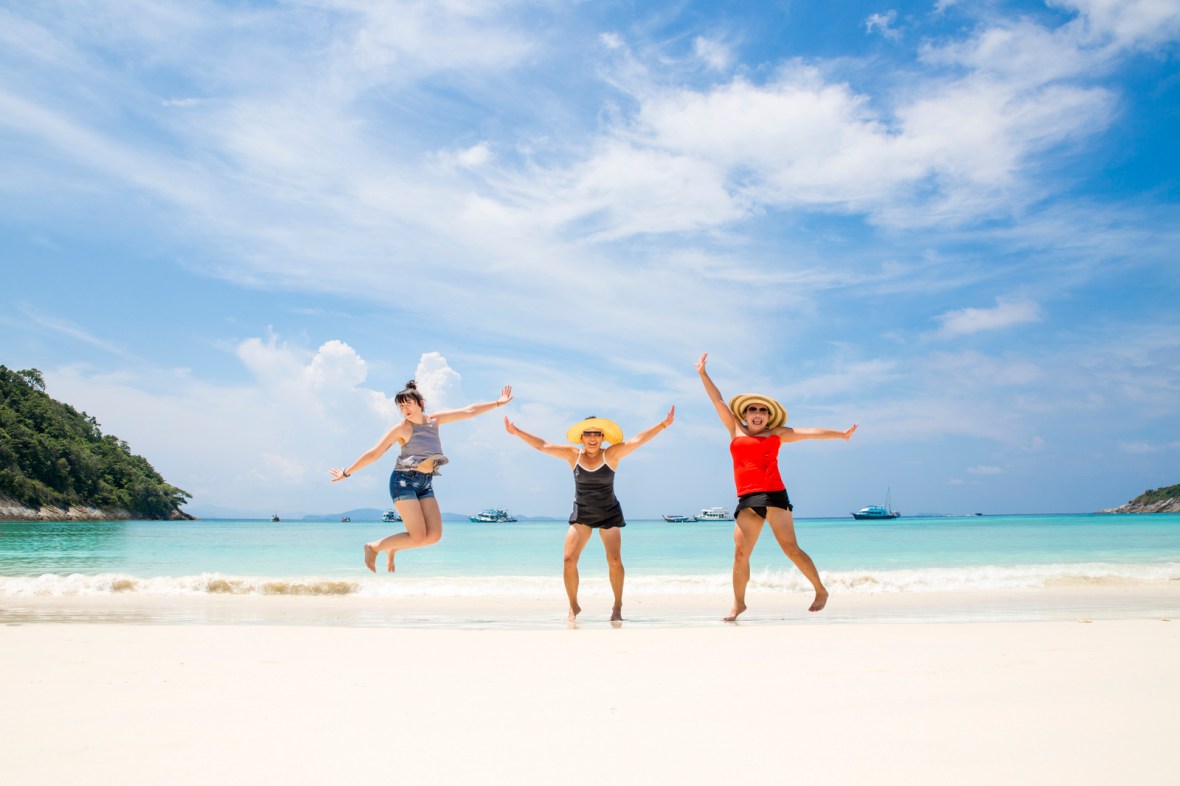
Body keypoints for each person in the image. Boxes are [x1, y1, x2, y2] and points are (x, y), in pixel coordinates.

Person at [696, 353, 857, 621]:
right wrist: (703, 374)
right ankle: (738, 604)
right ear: (745, 414)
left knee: (790, 548)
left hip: (773, 495)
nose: (758, 414)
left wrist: (840, 434)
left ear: (769, 416)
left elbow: (810, 432)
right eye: (753, 409)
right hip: (747, 499)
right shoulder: (735, 429)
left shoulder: (777, 434)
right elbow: (718, 400)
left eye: (763, 410)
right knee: (740, 554)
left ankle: (820, 590)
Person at [504, 408, 674, 622]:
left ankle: (617, 605)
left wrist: (663, 424)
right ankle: (573, 605)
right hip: (583, 512)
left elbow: (637, 441)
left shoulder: (610, 454)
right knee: (568, 559)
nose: (592, 438)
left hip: (609, 512)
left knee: (614, 560)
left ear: (603, 437)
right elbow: (543, 445)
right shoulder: (573, 455)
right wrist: (517, 431)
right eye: (588, 434)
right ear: (582, 438)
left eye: (597, 434)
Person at [330, 380, 513, 573]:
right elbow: (374, 453)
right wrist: (346, 472)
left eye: (408, 404)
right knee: (417, 536)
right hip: (403, 482)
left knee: (433, 536)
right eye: (401, 406)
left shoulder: (435, 421)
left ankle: (393, 547)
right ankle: (373, 547)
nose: (405, 409)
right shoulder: (402, 429)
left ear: (420, 404)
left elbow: (469, 411)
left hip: (425, 483)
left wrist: (498, 402)